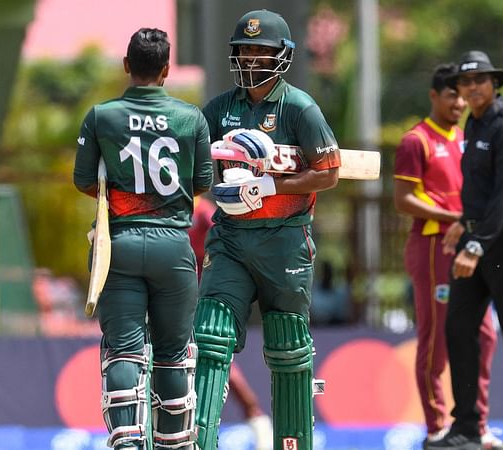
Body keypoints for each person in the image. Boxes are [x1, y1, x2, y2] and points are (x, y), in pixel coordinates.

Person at [192, 9, 340, 450]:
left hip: (286, 239)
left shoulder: (299, 108)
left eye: (261, 50)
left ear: (282, 56)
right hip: (232, 238)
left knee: (288, 346)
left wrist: (271, 183)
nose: (252, 58)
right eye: (245, 50)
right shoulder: (219, 109)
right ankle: (198, 441)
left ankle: (293, 443)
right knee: (210, 336)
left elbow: (329, 172)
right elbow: (196, 172)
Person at [72, 28, 213, 450]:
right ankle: (174, 443)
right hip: (173, 245)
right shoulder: (192, 118)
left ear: (127, 66)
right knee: (173, 353)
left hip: (120, 245)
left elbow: (83, 181)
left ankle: (127, 443)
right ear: (167, 70)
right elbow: (202, 181)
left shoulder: (102, 117)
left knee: (124, 352)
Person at [428, 51, 503, 450]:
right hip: (476, 237)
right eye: (466, 82)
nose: (473, 88)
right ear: (457, 89)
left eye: (481, 80)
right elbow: (478, 190)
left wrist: (475, 245)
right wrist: (464, 223)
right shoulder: (473, 125)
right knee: (458, 329)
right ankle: (466, 427)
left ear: (495, 84)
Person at [393, 63, 499, 450]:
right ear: (434, 96)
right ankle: (437, 426)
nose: (459, 101)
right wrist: (455, 216)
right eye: (451, 93)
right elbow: (404, 200)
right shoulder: (416, 140)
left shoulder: (468, 136)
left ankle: (477, 424)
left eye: (463, 93)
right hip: (435, 246)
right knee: (436, 339)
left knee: (485, 336)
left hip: (468, 246)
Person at [188, 196, 273, 450]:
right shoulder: (168, 204)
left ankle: (256, 418)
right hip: (175, 292)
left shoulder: (202, 211)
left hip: (204, 294)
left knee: (217, 360)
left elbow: (224, 237)